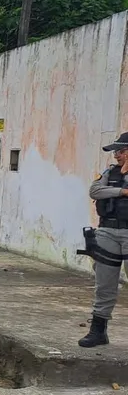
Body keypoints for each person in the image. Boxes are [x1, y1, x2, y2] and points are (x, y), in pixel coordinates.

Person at [80, 132, 128, 347]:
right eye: (116, 151)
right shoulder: (110, 172)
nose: (117, 155)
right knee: (104, 284)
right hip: (108, 230)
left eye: (121, 151)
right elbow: (95, 190)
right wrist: (123, 191)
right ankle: (98, 330)